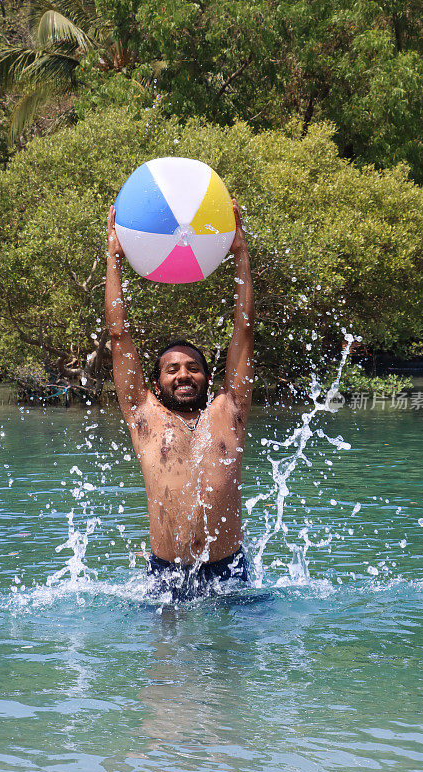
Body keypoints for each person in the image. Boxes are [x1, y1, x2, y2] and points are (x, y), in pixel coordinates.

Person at [105, 199, 254, 600]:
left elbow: (245, 330)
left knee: (233, 663)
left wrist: (240, 252)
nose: (184, 374)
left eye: (193, 367)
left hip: (229, 572)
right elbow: (118, 335)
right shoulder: (144, 417)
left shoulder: (230, 411)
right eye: (172, 369)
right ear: (156, 383)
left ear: (208, 377)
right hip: (167, 574)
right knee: (167, 665)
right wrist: (114, 257)